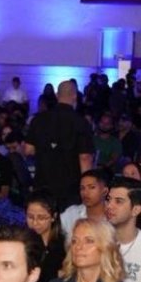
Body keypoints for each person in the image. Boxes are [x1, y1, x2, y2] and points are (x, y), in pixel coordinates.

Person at [27, 79, 94, 209]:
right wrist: (87, 187)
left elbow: (29, 150)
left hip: (42, 184)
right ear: (75, 96)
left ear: (57, 95)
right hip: (70, 188)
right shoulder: (81, 123)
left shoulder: (38, 119)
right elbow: (85, 158)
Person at [25, 190, 65, 282]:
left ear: (53, 217)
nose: (35, 222)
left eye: (41, 218)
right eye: (30, 217)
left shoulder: (64, 245)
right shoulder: (22, 243)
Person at [59, 169, 108, 238]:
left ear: (105, 191)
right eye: (82, 188)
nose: (85, 193)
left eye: (91, 187)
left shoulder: (114, 215)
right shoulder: (72, 213)